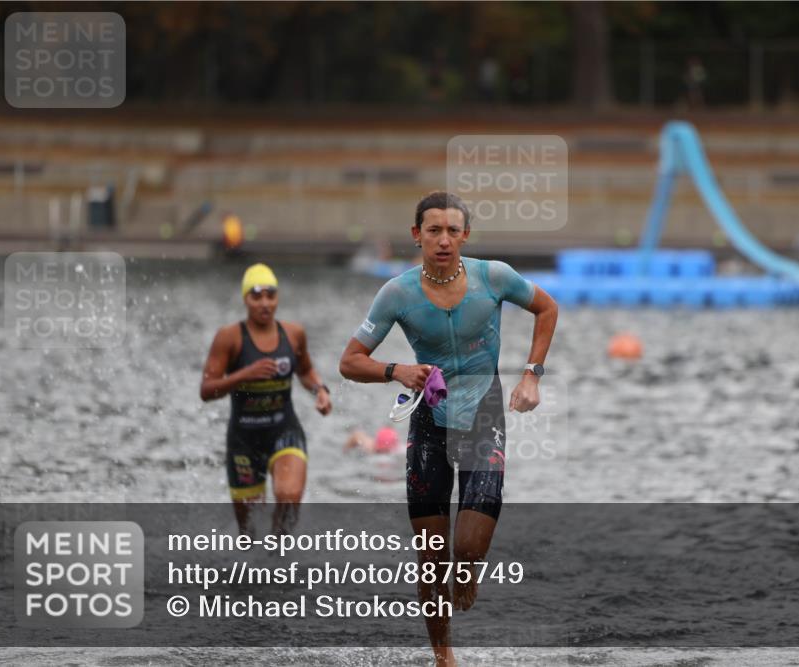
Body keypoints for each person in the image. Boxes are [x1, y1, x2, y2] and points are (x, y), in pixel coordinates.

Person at [339, 191, 558, 667]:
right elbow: (349, 362)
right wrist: (395, 369)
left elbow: (547, 308)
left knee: (467, 548)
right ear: (416, 235)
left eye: (452, 231)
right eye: (433, 230)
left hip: (483, 415)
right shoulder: (397, 293)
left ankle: (470, 568)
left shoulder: (492, 277)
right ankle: (443, 656)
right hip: (429, 422)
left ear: (465, 236)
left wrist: (531, 374)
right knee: (433, 559)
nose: (443, 240)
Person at [200, 263, 332, 536]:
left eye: (270, 296)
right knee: (249, 535)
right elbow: (207, 390)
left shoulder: (293, 334)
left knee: (289, 497)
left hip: (284, 431)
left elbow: (305, 370)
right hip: (243, 441)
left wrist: (320, 390)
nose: (264, 303)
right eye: (256, 296)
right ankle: (257, 573)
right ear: (245, 299)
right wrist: (244, 374)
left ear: (277, 298)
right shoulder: (229, 338)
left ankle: (279, 563)